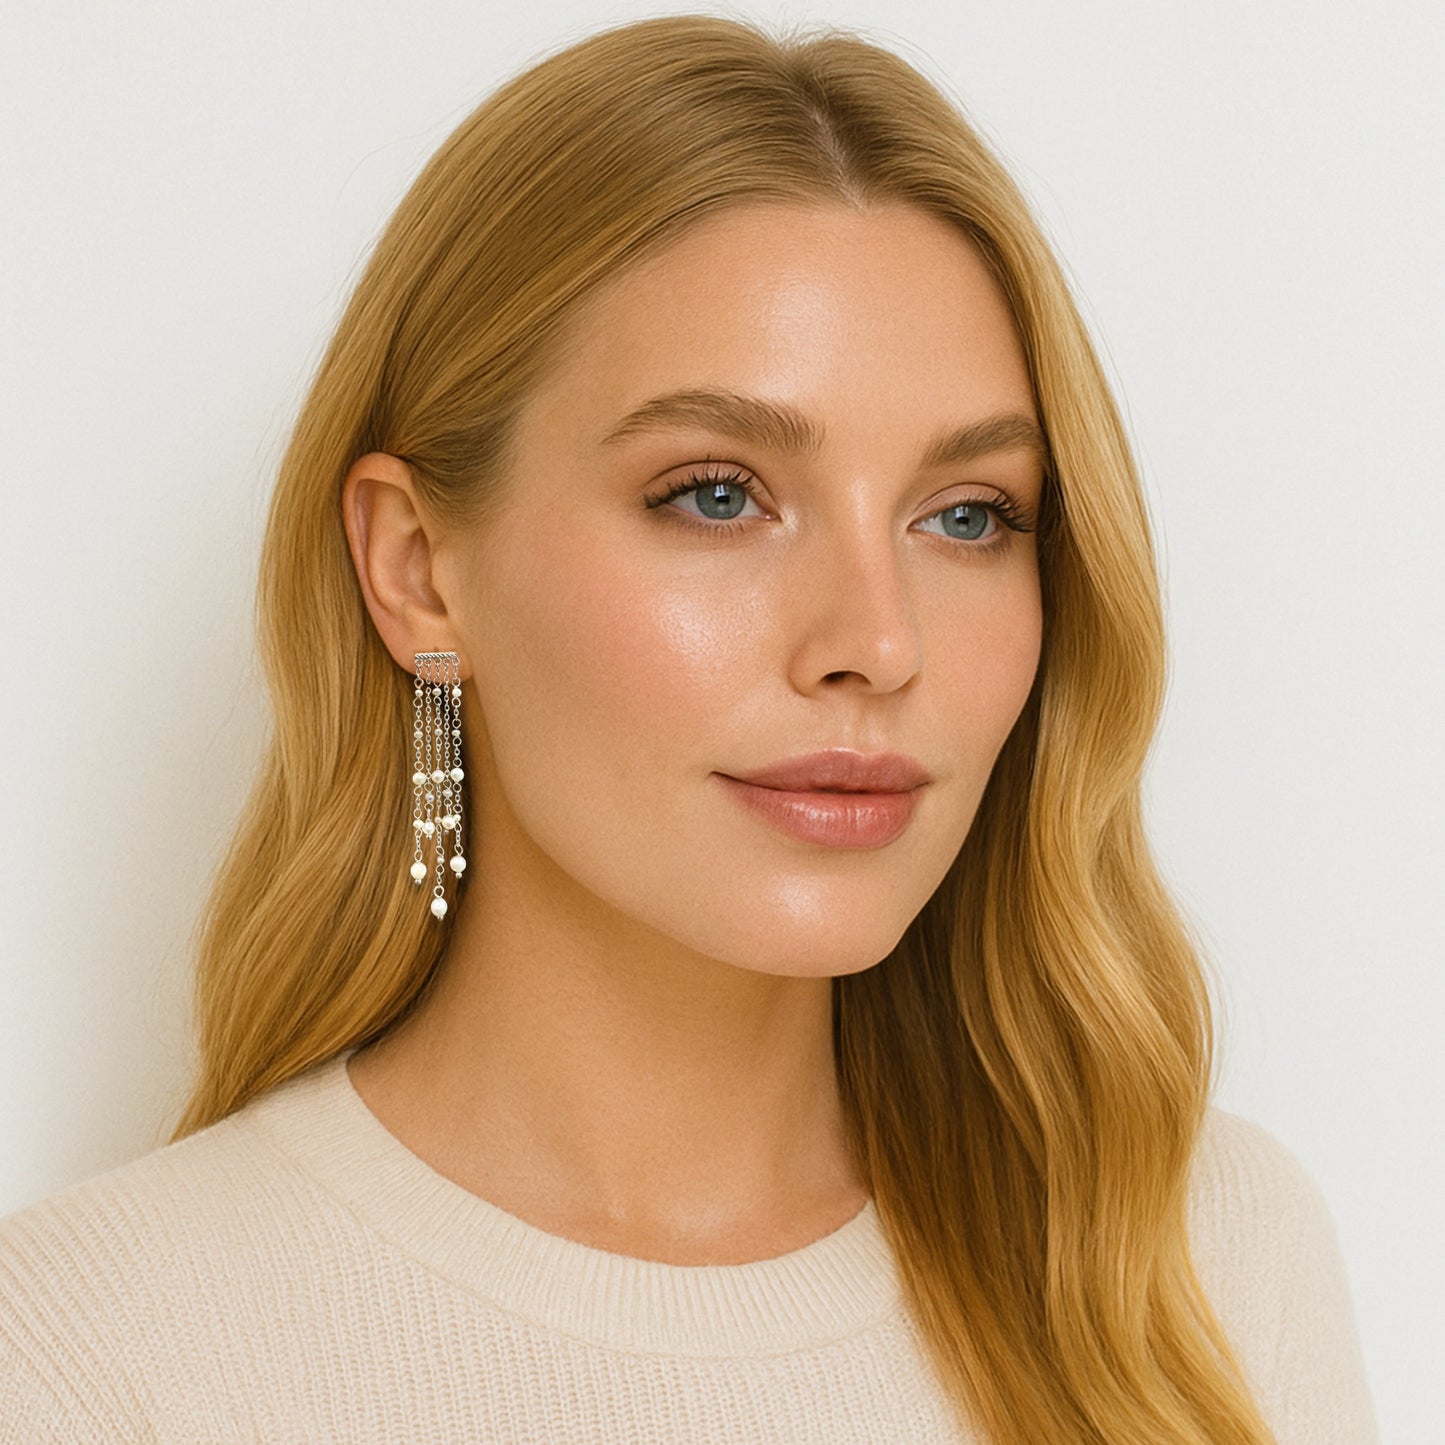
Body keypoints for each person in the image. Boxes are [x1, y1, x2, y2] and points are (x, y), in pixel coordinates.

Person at [0, 14, 1377, 1443]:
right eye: (716, 494)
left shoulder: (1193, 1271)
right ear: (416, 566)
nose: (877, 641)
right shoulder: (87, 1359)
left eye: (965, 516)